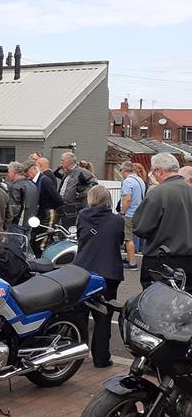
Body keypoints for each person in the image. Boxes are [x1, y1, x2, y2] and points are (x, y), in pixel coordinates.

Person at [73, 186, 124, 368]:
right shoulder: (117, 220)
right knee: (103, 317)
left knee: (80, 314)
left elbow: (81, 238)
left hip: (83, 269)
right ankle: (101, 358)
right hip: (108, 271)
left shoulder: (82, 216)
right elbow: (119, 241)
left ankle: (78, 353)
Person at [133, 153, 192, 292]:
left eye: (154, 172)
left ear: (160, 170)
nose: (154, 176)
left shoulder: (158, 193)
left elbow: (141, 227)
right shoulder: (189, 191)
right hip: (189, 259)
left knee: (157, 305)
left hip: (162, 260)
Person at [57, 152, 97, 227]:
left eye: (63, 160)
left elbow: (94, 184)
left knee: (70, 230)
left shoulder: (81, 172)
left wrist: (80, 195)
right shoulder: (67, 173)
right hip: (65, 207)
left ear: (69, 161)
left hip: (74, 209)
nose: (61, 162)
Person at [120, 161, 146, 271]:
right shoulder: (140, 180)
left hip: (130, 213)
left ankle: (132, 263)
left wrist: (122, 212)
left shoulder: (128, 181)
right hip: (139, 212)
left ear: (124, 170)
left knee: (128, 238)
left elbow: (127, 199)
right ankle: (131, 258)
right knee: (135, 237)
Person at [24, 160, 62, 227]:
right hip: (37, 215)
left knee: (44, 236)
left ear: (33, 168)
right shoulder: (32, 181)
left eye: (26, 171)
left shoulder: (45, 180)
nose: (26, 174)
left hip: (46, 215)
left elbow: (57, 198)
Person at [7, 161, 38, 235]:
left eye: (9, 172)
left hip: (18, 223)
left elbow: (14, 208)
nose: (8, 175)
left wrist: (7, 219)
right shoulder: (33, 185)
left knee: (15, 245)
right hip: (30, 222)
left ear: (13, 172)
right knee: (26, 243)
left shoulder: (15, 187)